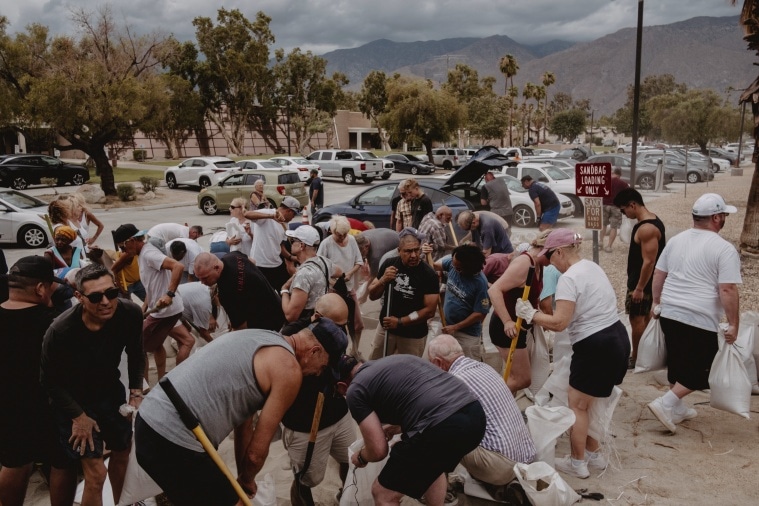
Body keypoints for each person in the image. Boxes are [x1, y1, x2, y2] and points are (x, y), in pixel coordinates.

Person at [134, 320, 347, 506]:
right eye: (323, 367)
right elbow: (256, 454)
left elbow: (244, 424)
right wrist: (247, 479)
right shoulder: (289, 369)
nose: (318, 374)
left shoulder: (265, 338)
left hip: (148, 421)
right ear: (314, 351)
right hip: (174, 437)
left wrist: (242, 480)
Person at [514, 228, 630, 479]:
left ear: (559, 252)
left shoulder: (569, 278)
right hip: (617, 337)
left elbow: (559, 322)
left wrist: (531, 314)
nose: (550, 263)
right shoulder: (592, 267)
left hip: (595, 346)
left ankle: (578, 462)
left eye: (550, 257)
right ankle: (593, 453)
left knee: (577, 406)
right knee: (592, 403)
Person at [40, 263, 144, 505]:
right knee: (96, 474)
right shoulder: (61, 330)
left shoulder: (130, 313)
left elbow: (137, 353)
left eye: (111, 293)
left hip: (110, 392)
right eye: (96, 296)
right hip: (72, 400)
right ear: (79, 297)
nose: (106, 301)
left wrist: (136, 392)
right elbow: (48, 381)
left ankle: (122, 502)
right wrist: (78, 417)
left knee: (122, 455)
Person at [336, 354, 486, 506]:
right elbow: (426, 397)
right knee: (432, 464)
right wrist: (399, 428)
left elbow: (378, 450)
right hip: (475, 416)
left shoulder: (355, 389)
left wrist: (361, 457)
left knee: (382, 494)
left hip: (442, 427)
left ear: (342, 386)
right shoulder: (391, 361)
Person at [647, 193, 741, 433]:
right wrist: (733, 324)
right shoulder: (724, 249)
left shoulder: (677, 240)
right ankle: (665, 403)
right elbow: (727, 289)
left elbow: (659, 274)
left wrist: (656, 303)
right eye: (725, 215)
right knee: (704, 368)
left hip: (670, 311)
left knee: (677, 361)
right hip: (699, 315)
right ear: (717, 217)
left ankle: (676, 407)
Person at [0, 257, 76, 506]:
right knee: (62, 463)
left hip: (8, 408)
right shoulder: (53, 324)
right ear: (41, 288)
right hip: (49, 408)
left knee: (14, 463)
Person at [428, 335, 535, 497]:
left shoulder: (454, 382)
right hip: (524, 458)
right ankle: (498, 484)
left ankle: (439, 490)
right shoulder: (483, 367)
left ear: (437, 362)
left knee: (437, 430)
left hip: (502, 466)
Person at [280, 294, 353, 503]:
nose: (341, 330)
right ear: (317, 316)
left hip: (338, 413)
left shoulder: (335, 330)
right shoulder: (290, 339)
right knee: (305, 478)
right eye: (337, 325)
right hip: (304, 424)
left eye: (343, 325)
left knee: (351, 460)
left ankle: (346, 495)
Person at [117, 223, 194, 380]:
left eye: (123, 247)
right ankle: (162, 380)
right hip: (165, 310)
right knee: (158, 344)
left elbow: (178, 266)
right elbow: (152, 284)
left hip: (165, 311)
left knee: (137, 347)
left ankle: (145, 385)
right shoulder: (141, 255)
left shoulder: (148, 254)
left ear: (131, 240)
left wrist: (169, 294)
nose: (123, 252)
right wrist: (145, 305)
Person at [488, 231, 549, 394]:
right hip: (506, 328)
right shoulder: (524, 263)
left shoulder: (539, 264)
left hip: (520, 327)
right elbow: (494, 290)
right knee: (522, 379)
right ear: (544, 249)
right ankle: (489, 399)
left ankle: (506, 411)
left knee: (515, 378)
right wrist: (507, 321)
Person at [367, 227, 439, 359]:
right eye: (408, 251)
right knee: (375, 365)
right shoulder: (390, 264)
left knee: (408, 373)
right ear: (399, 251)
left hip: (413, 335)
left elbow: (429, 311)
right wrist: (383, 280)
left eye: (416, 250)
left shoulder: (429, 274)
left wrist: (401, 322)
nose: (413, 255)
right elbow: (372, 295)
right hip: (386, 329)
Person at [613, 188, 665, 367]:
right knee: (645, 317)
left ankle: (636, 358)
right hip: (646, 282)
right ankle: (647, 356)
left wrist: (639, 288)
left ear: (632, 205)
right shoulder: (653, 220)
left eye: (623, 209)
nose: (624, 213)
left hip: (642, 283)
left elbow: (649, 262)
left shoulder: (647, 229)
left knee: (636, 319)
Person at [193, 251, 285, 332]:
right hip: (277, 303)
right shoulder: (232, 256)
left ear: (216, 268)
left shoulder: (226, 293)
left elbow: (240, 328)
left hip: (268, 325)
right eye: (199, 278)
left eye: (205, 278)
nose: (202, 283)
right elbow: (252, 261)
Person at [430, 243, 490, 360]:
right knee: (437, 359)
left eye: (458, 267)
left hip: (467, 334)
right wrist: (428, 254)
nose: (453, 267)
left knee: (466, 367)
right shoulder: (454, 262)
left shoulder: (480, 283)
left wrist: (456, 327)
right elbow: (435, 266)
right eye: (453, 262)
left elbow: (480, 313)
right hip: (445, 325)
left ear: (468, 268)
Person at [281, 225, 342, 332]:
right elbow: (339, 272)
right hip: (320, 322)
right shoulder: (324, 261)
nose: (290, 242)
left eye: (292, 240)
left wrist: (284, 290)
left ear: (301, 245)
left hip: (304, 329)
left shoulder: (304, 274)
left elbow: (291, 316)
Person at [318, 216, 364, 351]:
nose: (342, 237)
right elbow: (320, 266)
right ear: (332, 231)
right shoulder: (326, 244)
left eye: (345, 234)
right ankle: (336, 352)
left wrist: (350, 273)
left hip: (349, 288)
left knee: (358, 324)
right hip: (333, 290)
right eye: (339, 235)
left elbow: (359, 261)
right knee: (335, 325)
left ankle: (355, 350)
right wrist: (332, 280)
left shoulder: (352, 240)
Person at [244, 196, 302, 290]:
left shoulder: (285, 224)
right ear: (289, 211)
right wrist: (271, 216)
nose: (293, 218)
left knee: (282, 291)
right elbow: (247, 214)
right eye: (293, 215)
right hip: (261, 265)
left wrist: (291, 257)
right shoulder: (268, 213)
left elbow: (280, 246)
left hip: (276, 264)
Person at [44, 225, 83, 311]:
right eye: (57, 239)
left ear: (70, 240)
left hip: (77, 286)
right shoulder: (50, 253)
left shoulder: (77, 251)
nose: (59, 242)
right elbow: (47, 274)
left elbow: (83, 268)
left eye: (63, 240)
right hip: (58, 289)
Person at [600, 167, 630, 252]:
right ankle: (609, 246)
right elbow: (629, 194)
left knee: (604, 225)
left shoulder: (605, 181)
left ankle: (600, 242)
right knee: (614, 227)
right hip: (616, 207)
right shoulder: (623, 184)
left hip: (605, 205)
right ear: (620, 175)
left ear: (612, 173)